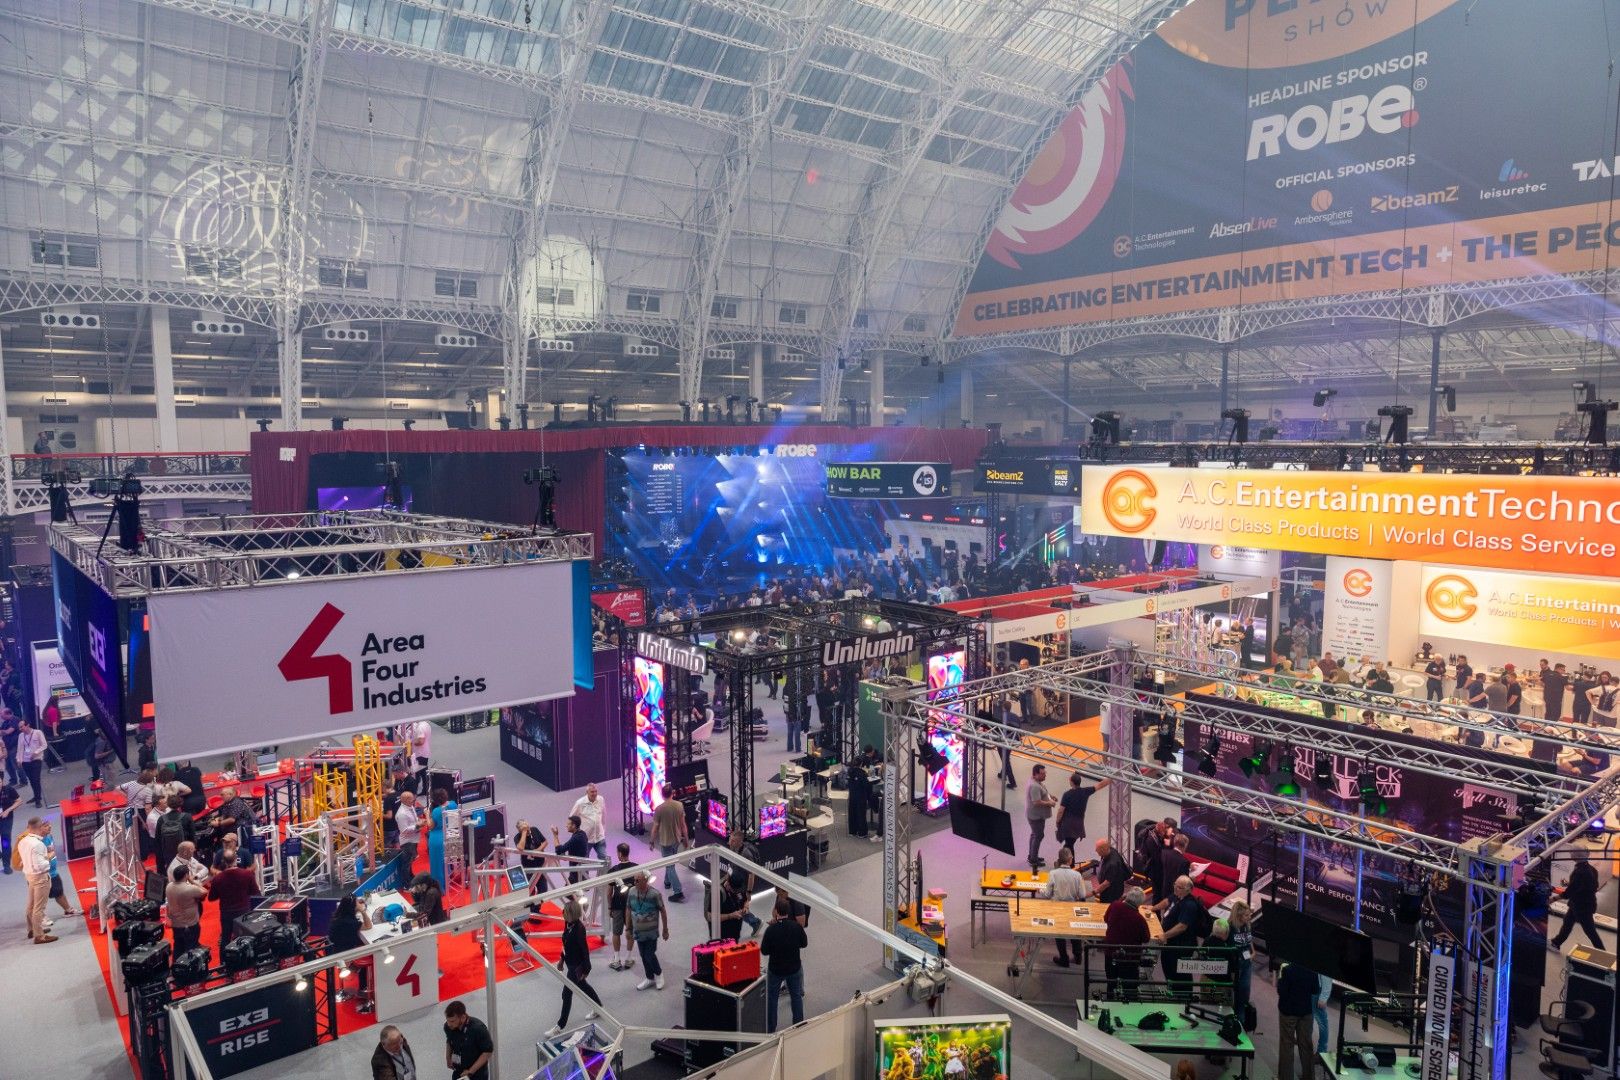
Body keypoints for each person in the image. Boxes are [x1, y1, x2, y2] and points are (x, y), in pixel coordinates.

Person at [547, 896, 601, 1035]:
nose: (562, 914)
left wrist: (587, 968)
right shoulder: (568, 924)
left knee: (567, 994)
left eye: (565, 912)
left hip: (577, 966)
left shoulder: (579, 929)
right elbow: (565, 944)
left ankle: (560, 1025)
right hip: (570, 963)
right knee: (584, 987)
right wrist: (561, 960)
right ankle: (599, 1007)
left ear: (572, 914)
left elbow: (584, 950)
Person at [760, 898, 808, 1032]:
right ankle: (798, 1026)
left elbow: (764, 951)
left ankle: (770, 1028)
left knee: (772, 999)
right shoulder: (796, 927)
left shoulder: (771, 930)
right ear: (788, 911)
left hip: (776, 970)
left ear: (776, 911)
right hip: (794, 968)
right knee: (796, 996)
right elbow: (804, 944)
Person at [1040, 846, 1090, 967]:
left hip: (1057, 909)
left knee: (1059, 934)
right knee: (1074, 932)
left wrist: (1040, 890)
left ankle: (1064, 958)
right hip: (1072, 908)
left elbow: (1047, 894)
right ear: (1070, 859)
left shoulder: (1053, 873)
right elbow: (1082, 894)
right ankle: (1078, 957)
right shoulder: (1077, 875)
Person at [1151, 875, 1203, 986]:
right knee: (1167, 967)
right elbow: (1167, 901)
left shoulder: (1189, 905)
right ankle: (1172, 990)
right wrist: (1152, 908)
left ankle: (1183, 997)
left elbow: (1182, 926)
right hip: (1170, 943)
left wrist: (1165, 935)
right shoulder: (1177, 896)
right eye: (1175, 885)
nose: (1175, 888)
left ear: (1187, 890)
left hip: (1180, 946)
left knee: (1179, 973)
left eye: (1179, 887)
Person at [1103, 886, 1150, 1000]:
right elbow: (1146, 938)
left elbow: (1105, 918)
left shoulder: (1114, 905)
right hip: (1130, 958)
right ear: (1139, 903)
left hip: (1111, 953)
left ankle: (1110, 1000)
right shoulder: (1139, 919)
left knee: (1111, 982)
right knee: (1129, 986)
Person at [625, 869, 670, 990]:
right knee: (642, 955)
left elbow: (663, 911)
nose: (635, 882)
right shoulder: (631, 892)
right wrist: (628, 928)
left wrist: (665, 929)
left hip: (651, 933)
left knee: (649, 955)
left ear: (645, 880)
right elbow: (628, 909)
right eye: (634, 880)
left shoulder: (655, 894)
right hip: (638, 932)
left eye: (637, 880)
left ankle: (659, 974)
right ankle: (649, 978)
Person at [1274, 961, 1319, 1080]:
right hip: (1306, 1012)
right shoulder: (1312, 970)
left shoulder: (1287, 970)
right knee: (1306, 1046)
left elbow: (1282, 991)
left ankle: (1285, 1077)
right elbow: (1315, 990)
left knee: (1287, 1045)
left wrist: (1280, 980)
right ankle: (1309, 1077)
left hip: (1288, 1013)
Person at [327, 894, 373, 1006]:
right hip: (345, 955)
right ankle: (364, 986)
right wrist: (362, 911)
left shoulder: (338, 917)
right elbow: (368, 926)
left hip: (335, 950)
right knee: (370, 951)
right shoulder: (350, 923)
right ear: (352, 907)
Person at [1551, 857, 1604, 949]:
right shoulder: (1591, 869)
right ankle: (1556, 942)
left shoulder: (1580, 872)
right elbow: (1588, 885)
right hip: (1579, 904)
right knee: (1567, 923)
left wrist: (1553, 899)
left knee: (1590, 930)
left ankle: (1602, 952)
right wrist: (1569, 884)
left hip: (1582, 906)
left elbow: (1569, 892)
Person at [648, 784, 687, 901]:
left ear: (662, 795)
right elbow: (683, 824)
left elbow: (655, 827)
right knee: (670, 862)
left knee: (670, 865)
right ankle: (667, 881)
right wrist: (685, 838)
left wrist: (651, 841)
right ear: (672, 793)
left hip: (665, 842)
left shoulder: (659, 809)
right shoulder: (679, 805)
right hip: (677, 840)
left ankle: (678, 891)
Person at [208, 858, 257, 950]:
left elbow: (211, 898)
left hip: (226, 912)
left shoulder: (218, 878)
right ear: (235, 860)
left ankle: (224, 962)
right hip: (244, 910)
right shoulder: (247, 874)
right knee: (245, 936)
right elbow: (255, 892)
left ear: (224, 862)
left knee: (225, 937)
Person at [1055, 772, 1109, 850]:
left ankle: (1069, 861)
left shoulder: (1067, 794)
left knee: (1068, 847)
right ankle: (1069, 860)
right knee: (1070, 845)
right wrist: (1112, 778)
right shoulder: (1085, 791)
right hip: (1078, 826)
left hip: (1068, 825)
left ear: (1071, 782)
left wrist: (1057, 821)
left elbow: (1061, 811)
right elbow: (1100, 785)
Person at [605, 841, 637, 970]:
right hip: (632, 906)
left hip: (617, 905)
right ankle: (629, 958)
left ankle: (617, 959)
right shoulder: (637, 868)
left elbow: (609, 892)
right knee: (630, 930)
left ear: (619, 854)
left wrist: (609, 907)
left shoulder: (613, 871)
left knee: (616, 933)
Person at [442, 1000, 494, 1080]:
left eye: (452, 1021)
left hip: (477, 1073)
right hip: (458, 1071)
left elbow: (487, 1052)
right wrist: (448, 1057)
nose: (449, 1024)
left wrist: (470, 1071)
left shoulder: (478, 1029)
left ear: (463, 1017)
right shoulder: (448, 1027)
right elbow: (449, 1040)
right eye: (447, 1020)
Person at [167, 864, 207, 959]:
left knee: (178, 947)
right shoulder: (189, 889)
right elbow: (205, 891)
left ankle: (176, 967)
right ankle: (190, 970)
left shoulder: (169, 886)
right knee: (191, 949)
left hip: (176, 924)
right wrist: (192, 881)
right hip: (189, 925)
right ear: (186, 875)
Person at [1227, 899, 1255, 1026]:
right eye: (1246, 915)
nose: (1249, 917)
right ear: (1238, 915)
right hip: (1234, 965)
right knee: (1232, 992)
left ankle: (1241, 1021)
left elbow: (1249, 940)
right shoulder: (1229, 927)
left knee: (1244, 992)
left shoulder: (1247, 925)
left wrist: (1253, 952)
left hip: (1247, 964)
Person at [1024, 764, 1056, 870]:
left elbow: (1042, 793)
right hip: (1036, 816)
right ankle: (1033, 860)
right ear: (1036, 774)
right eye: (1042, 774)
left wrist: (1050, 796)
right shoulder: (1034, 786)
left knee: (1035, 835)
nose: (1045, 775)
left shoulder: (1037, 782)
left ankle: (1032, 855)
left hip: (1036, 815)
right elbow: (1036, 802)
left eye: (1045, 773)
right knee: (1038, 836)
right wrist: (1049, 803)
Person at [569, 782, 609, 866]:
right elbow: (571, 818)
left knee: (604, 859)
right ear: (587, 792)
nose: (594, 794)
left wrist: (603, 830)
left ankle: (606, 877)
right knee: (584, 862)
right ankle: (586, 878)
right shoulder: (580, 803)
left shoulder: (601, 799)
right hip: (586, 839)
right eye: (592, 792)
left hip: (599, 837)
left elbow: (603, 815)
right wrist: (577, 833)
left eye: (595, 791)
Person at [154, 795, 196, 871]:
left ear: (168, 804)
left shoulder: (161, 819)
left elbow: (158, 840)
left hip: (168, 852)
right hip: (184, 852)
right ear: (181, 803)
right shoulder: (187, 817)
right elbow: (192, 836)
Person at [428, 788, 457, 889]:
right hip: (450, 835)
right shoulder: (453, 804)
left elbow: (430, 826)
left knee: (437, 864)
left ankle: (439, 888)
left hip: (437, 838)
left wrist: (427, 815)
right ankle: (448, 882)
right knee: (446, 861)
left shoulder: (436, 811)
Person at [15, 717, 46, 807]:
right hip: (25, 761)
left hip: (36, 759)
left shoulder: (38, 733)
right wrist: (19, 759)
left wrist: (35, 753)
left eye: (21, 727)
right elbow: (19, 749)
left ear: (27, 725)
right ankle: (36, 796)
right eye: (19, 728)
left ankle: (38, 800)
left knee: (36, 779)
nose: (20, 729)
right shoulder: (21, 736)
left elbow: (44, 745)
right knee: (32, 780)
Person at [553, 814, 591, 885]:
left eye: (568, 824)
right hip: (578, 872)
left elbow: (559, 850)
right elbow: (563, 849)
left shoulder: (576, 837)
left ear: (573, 825)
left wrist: (555, 835)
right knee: (571, 894)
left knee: (570, 894)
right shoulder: (582, 834)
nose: (566, 826)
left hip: (577, 873)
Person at [1092, 837, 1129, 903]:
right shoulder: (1110, 850)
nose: (1095, 850)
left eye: (1097, 849)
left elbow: (1106, 884)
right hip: (1111, 888)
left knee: (1106, 907)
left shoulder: (1112, 864)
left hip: (1111, 893)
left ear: (1103, 849)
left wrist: (1094, 892)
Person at [394, 790, 421, 870]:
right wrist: (417, 825)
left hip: (413, 839)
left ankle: (410, 878)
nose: (414, 800)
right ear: (405, 800)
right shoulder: (402, 813)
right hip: (407, 842)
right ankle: (407, 881)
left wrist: (418, 821)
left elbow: (414, 817)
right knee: (407, 864)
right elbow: (404, 830)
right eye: (411, 799)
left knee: (411, 861)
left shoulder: (410, 806)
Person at [0, 776, 19, 874]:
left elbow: (19, 800)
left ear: (2, 781)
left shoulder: (9, 790)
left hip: (6, 819)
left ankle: (6, 864)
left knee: (5, 841)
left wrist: (8, 810)